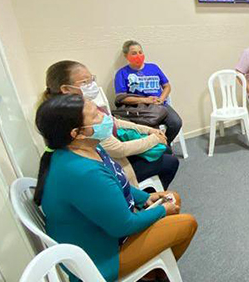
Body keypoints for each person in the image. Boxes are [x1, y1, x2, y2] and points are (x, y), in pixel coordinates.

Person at [33, 93, 196, 282]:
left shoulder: (84, 147)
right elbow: (124, 225)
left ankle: (151, 270)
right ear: (77, 132)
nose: (104, 116)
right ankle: (151, 274)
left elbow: (117, 180)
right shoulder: (83, 173)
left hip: (105, 233)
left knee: (172, 197)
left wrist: (144, 198)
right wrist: (161, 210)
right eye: (95, 116)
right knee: (187, 224)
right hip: (101, 258)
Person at [44, 60, 179, 189]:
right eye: (85, 82)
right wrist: (154, 138)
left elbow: (114, 121)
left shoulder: (85, 104)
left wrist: (150, 131)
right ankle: (150, 196)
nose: (92, 85)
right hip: (114, 165)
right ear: (66, 89)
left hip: (114, 153)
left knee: (165, 148)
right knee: (170, 162)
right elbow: (118, 149)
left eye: (92, 79)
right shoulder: (74, 118)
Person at [114, 40, 183, 142]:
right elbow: (122, 98)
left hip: (159, 105)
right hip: (141, 109)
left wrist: (161, 99)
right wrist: (146, 100)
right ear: (126, 56)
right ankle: (160, 150)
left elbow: (167, 86)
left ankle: (165, 145)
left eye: (140, 52)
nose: (138, 55)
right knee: (153, 132)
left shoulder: (153, 67)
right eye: (134, 53)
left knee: (176, 123)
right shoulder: (122, 73)